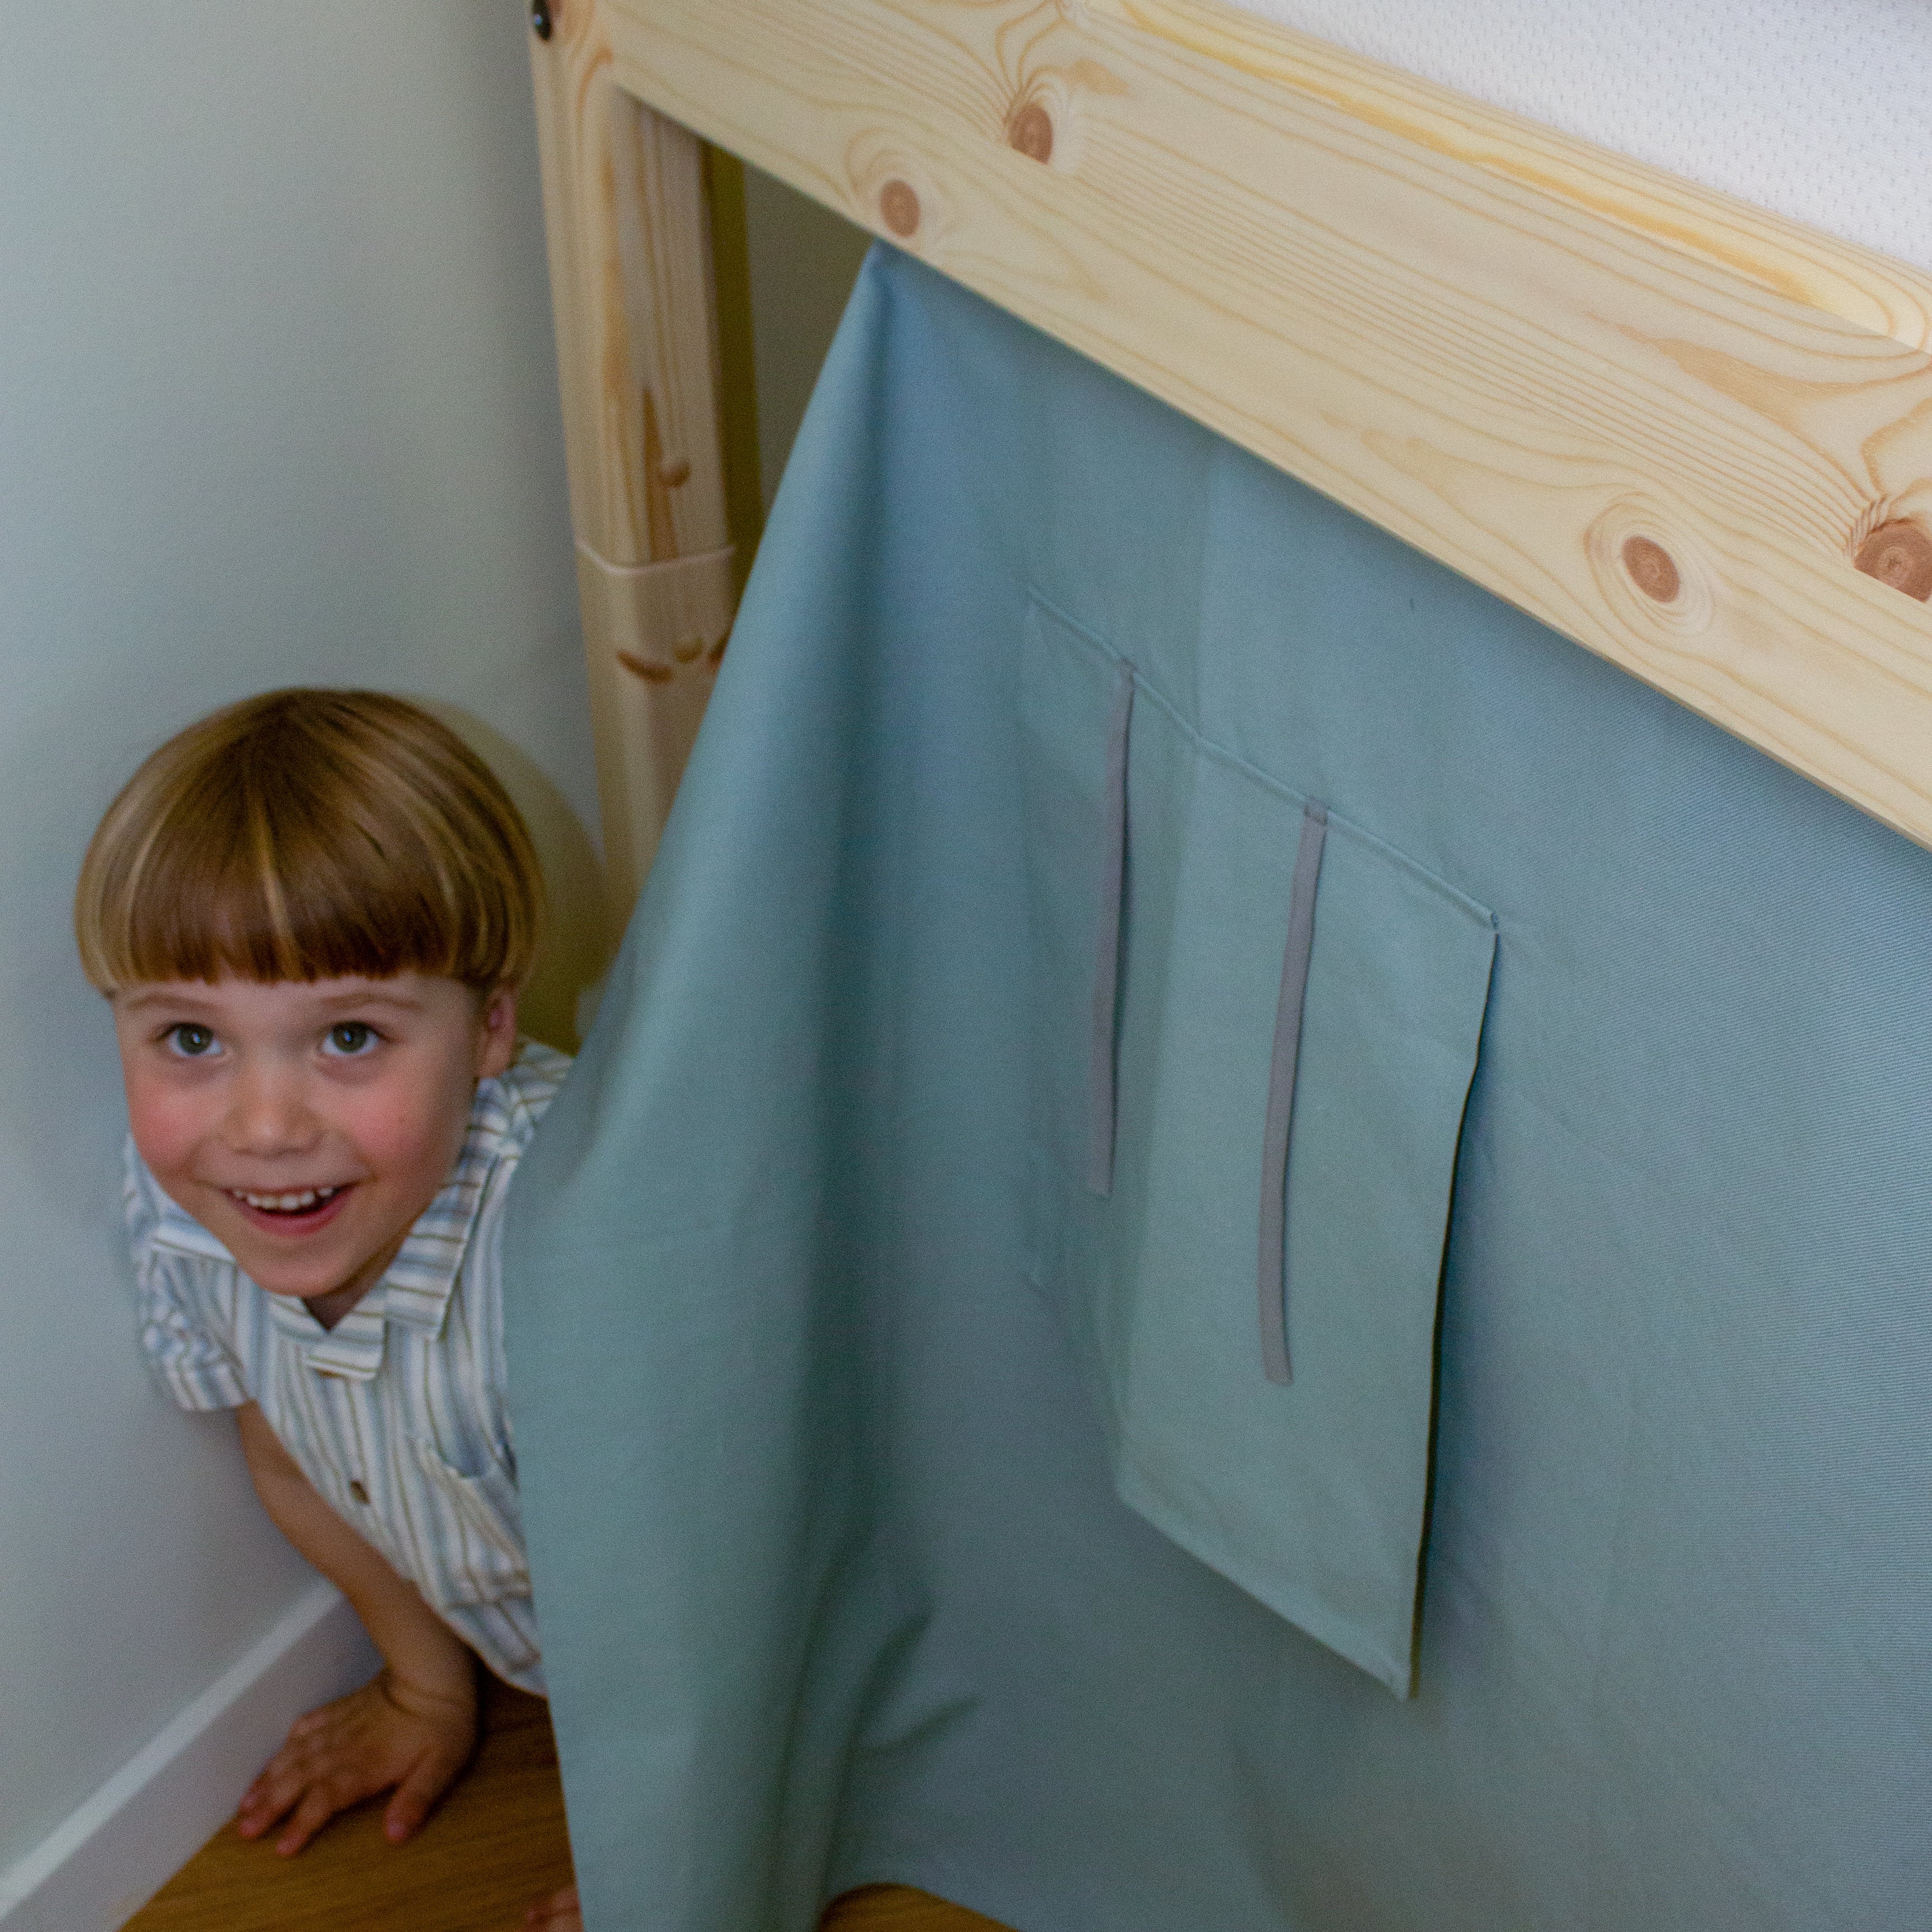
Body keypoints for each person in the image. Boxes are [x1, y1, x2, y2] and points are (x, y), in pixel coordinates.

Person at [76, 689, 584, 1931]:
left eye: (349, 1035)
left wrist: (698, 1849)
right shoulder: (182, 1204)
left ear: (492, 1028)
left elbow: (742, 1589)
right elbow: (295, 1459)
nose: (262, 1129)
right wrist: (426, 1688)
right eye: (190, 1039)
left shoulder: (585, 1232)